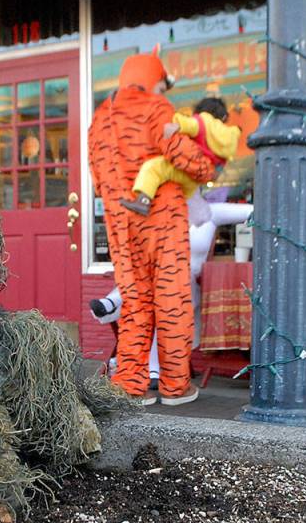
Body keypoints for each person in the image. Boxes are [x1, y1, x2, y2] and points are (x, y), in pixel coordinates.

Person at [88, 48, 215, 406]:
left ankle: (130, 382)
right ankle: (175, 384)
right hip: (162, 216)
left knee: (134, 302)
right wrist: (206, 167)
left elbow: (97, 179)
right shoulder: (156, 108)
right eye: (162, 84)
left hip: (119, 221)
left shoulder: (99, 119)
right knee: (172, 299)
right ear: (153, 80)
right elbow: (181, 155)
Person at [91, 188, 252, 388]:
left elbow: (251, 212)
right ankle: (151, 367)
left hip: (189, 285)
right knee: (149, 283)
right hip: (158, 279)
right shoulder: (163, 213)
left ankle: (113, 303)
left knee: (164, 295)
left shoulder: (210, 211)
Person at [122, 97, 241, 216]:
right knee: (182, 202)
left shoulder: (204, 121)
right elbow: (216, 173)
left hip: (185, 169)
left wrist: (176, 125)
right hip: (194, 181)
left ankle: (144, 201)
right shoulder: (229, 138)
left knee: (154, 168)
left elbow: (190, 125)